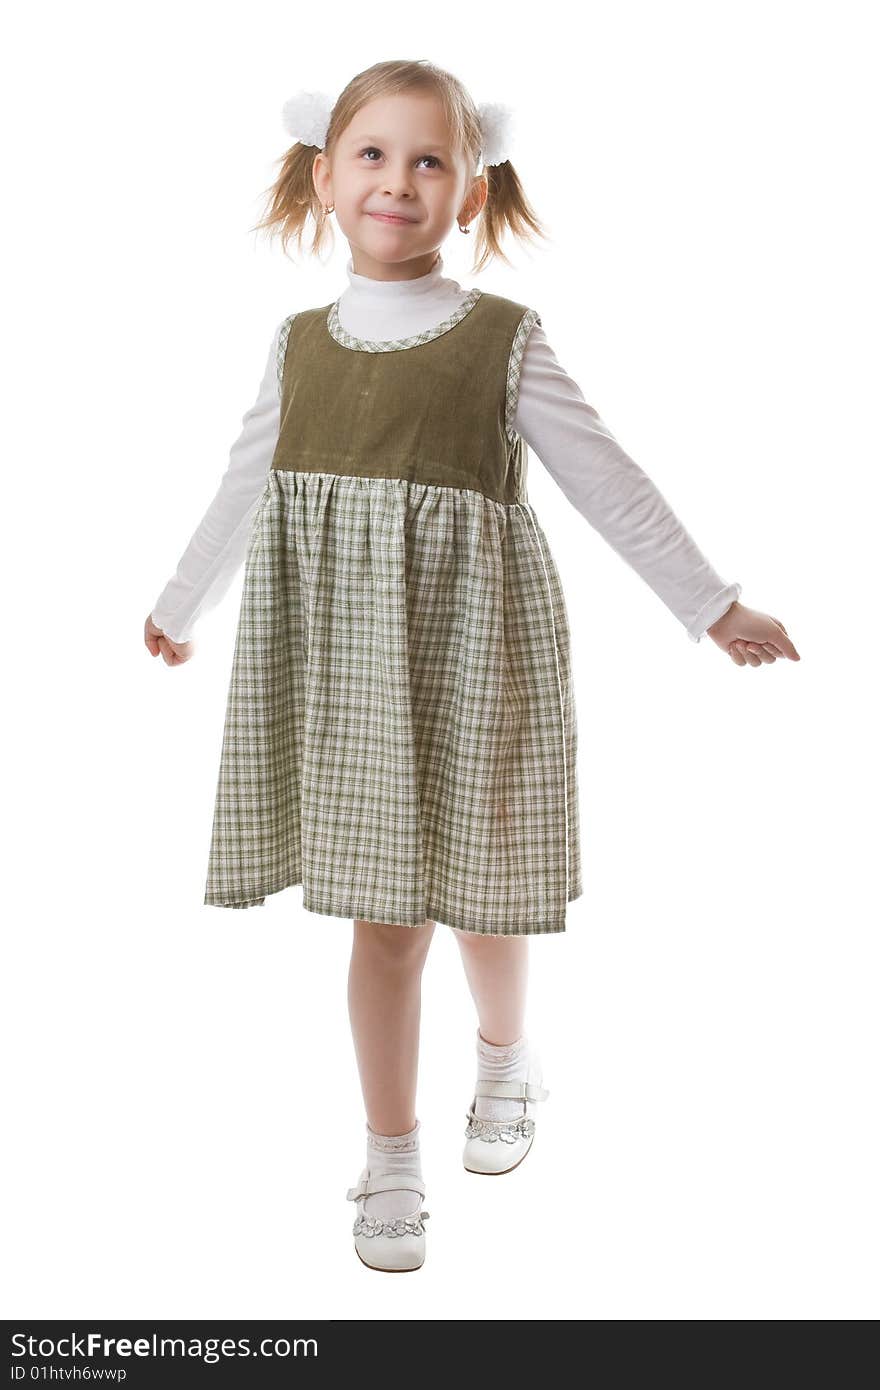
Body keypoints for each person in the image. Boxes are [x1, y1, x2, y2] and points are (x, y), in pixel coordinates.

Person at [145, 59, 800, 1273]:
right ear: (325, 180)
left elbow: (606, 475)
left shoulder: (500, 339)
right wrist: (182, 602)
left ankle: (503, 1056)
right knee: (384, 919)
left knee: (482, 891)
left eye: (429, 159)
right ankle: (390, 1154)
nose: (399, 180)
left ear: (470, 190)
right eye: (374, 156)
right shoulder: (296, 346)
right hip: (345, 675)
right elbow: (247, 480)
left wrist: (711, 602)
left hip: (472, 656)